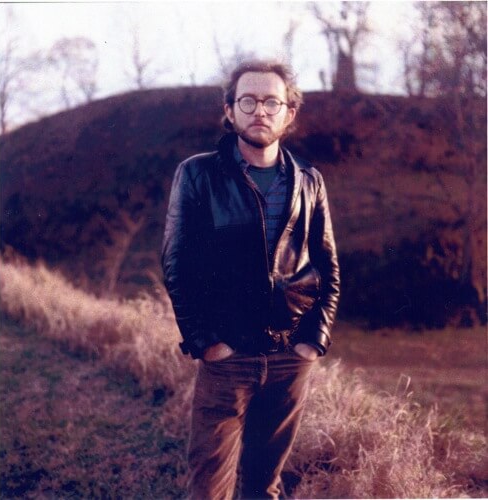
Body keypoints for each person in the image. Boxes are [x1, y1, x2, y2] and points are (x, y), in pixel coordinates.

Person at [162, 59, 340, 500]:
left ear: (288, 113)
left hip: (289, 356)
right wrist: (204, 342)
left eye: (271, 102)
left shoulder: (309, 182)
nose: (260, 111)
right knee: (209, 487)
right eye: (248, 100)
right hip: (227, 357)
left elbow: (328, 265)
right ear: (230, 110)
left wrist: (313, 340)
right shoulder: (198, 174)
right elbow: (176, 264)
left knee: (264, 486)